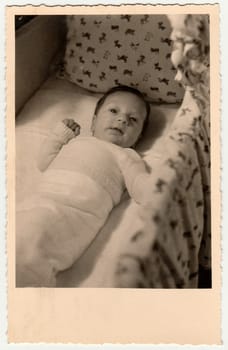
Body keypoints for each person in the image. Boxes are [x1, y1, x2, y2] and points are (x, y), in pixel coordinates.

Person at [16, 85, 152, 287]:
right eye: (114, 111)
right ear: (94, 121)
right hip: (40, 199)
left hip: (75, 212)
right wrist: (58, 137)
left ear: (138, 137)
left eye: (133, 120)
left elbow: (140, 187)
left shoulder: (127, 156)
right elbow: (44, 162)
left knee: (33, 244)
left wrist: (160, 187)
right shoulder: (77, 142)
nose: (122, 119)